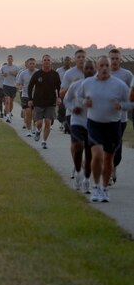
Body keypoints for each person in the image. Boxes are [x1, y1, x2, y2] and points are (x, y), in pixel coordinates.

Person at [78, 55, 129, 203]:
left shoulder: (119, 85)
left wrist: (122, 106)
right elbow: (77, 98)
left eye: (107, 65)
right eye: (102, 66)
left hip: (113, 125)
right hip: (94, 124)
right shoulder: (88, 83)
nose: (105, 68)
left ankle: (105, 189)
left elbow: (130, 103)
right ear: (97, 67)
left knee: (108, 159)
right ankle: (96, 187)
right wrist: (84, 102)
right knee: (98, 155)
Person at [64, 60, 96, 192]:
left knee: (89, 153)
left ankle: (87, 179)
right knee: (78, 146)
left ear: (95, 70)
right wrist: (72, 108)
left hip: (93, 122)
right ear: (83, 71)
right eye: (86, 68)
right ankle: (78, 172)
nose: (88, 70)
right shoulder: (76, 85)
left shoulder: (98, 86)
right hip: (77, 121)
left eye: (91, 68)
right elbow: (67, 99)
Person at [60, 49, 86, 177]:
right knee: (75, 143)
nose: (81, 59)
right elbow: (61, 93)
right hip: (72, 112)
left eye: (83, 57)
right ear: (75, 59)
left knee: (89, 142)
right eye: (78, 57)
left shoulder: (91, 72)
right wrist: (71, 85)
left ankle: (84, 162)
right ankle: (77, 166)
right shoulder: (69, 74)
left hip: (89, 114)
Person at [109, 48, 133, 183]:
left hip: (121, 117)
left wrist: (122, 105)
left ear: (121, 59)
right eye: (112, 58)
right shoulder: (102, 74)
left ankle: (113, 166)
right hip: (103, 117)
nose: (114, 61)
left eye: (117, 58)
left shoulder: (127, 75)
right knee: (105, 144)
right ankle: (108, 170)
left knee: (116, 145)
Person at [28, 55, 61, 149]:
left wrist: (58, 97)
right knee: (39, 123)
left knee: (48, 122)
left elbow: (59, 87)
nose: (46, 62)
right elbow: (30, 86)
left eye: (48, 60)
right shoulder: (37, 74)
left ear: (51, 62)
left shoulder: (55, 74)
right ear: (42, 62)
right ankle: (38, 131)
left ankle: (44, 141)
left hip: (50, 102)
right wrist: (30, 99)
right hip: (38, 101)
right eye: (45, 60)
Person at [16, 58, 38, 137]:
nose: (32, 65)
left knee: (35, 113)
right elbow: (18, 84)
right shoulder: (23, 73)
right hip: (25, 95)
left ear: (35, 64)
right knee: (28, 113)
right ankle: (29, 130)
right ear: (27, 65)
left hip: (36, 96)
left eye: (33, 63)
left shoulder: (38, 72)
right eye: (30, 63)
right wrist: (20, 87)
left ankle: (35, 126)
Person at [0, 55, 19, 123]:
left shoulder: (16, 67)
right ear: (7, 60)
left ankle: (10, 112)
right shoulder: (4, 67)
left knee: (11, 102)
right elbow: (1, 75)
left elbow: (18, 75)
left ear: (12, 60)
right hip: (6, 85)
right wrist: (3, 75)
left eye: (11, 59)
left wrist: (13, 74)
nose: (10, 60)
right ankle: (7, 116)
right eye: (9, 59)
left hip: (13, 86)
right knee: (7, 101)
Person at [56, 56, 71, 133]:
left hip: (70, 93)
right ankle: (62, 121)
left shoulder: (72, 71)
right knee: (61, 109)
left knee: (67, 109)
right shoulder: (59, 70)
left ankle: (66, 125)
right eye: (66, 60)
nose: (67, 62)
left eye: (68, 60)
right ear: (63, 61)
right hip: (61, 92)